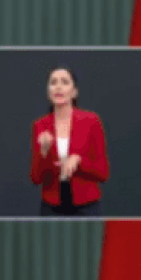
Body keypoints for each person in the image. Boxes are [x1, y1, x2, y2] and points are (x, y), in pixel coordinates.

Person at [30, 66, 110, 216]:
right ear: (48, 92)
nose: (58, 87)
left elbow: (103, 172)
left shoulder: (91, 121)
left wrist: (78, 161)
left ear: (74, 92)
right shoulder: (40, 125)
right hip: (52, 206)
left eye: (65, 82)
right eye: (53, 82)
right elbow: (36, 178)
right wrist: (44, 152)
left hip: (86, 205)